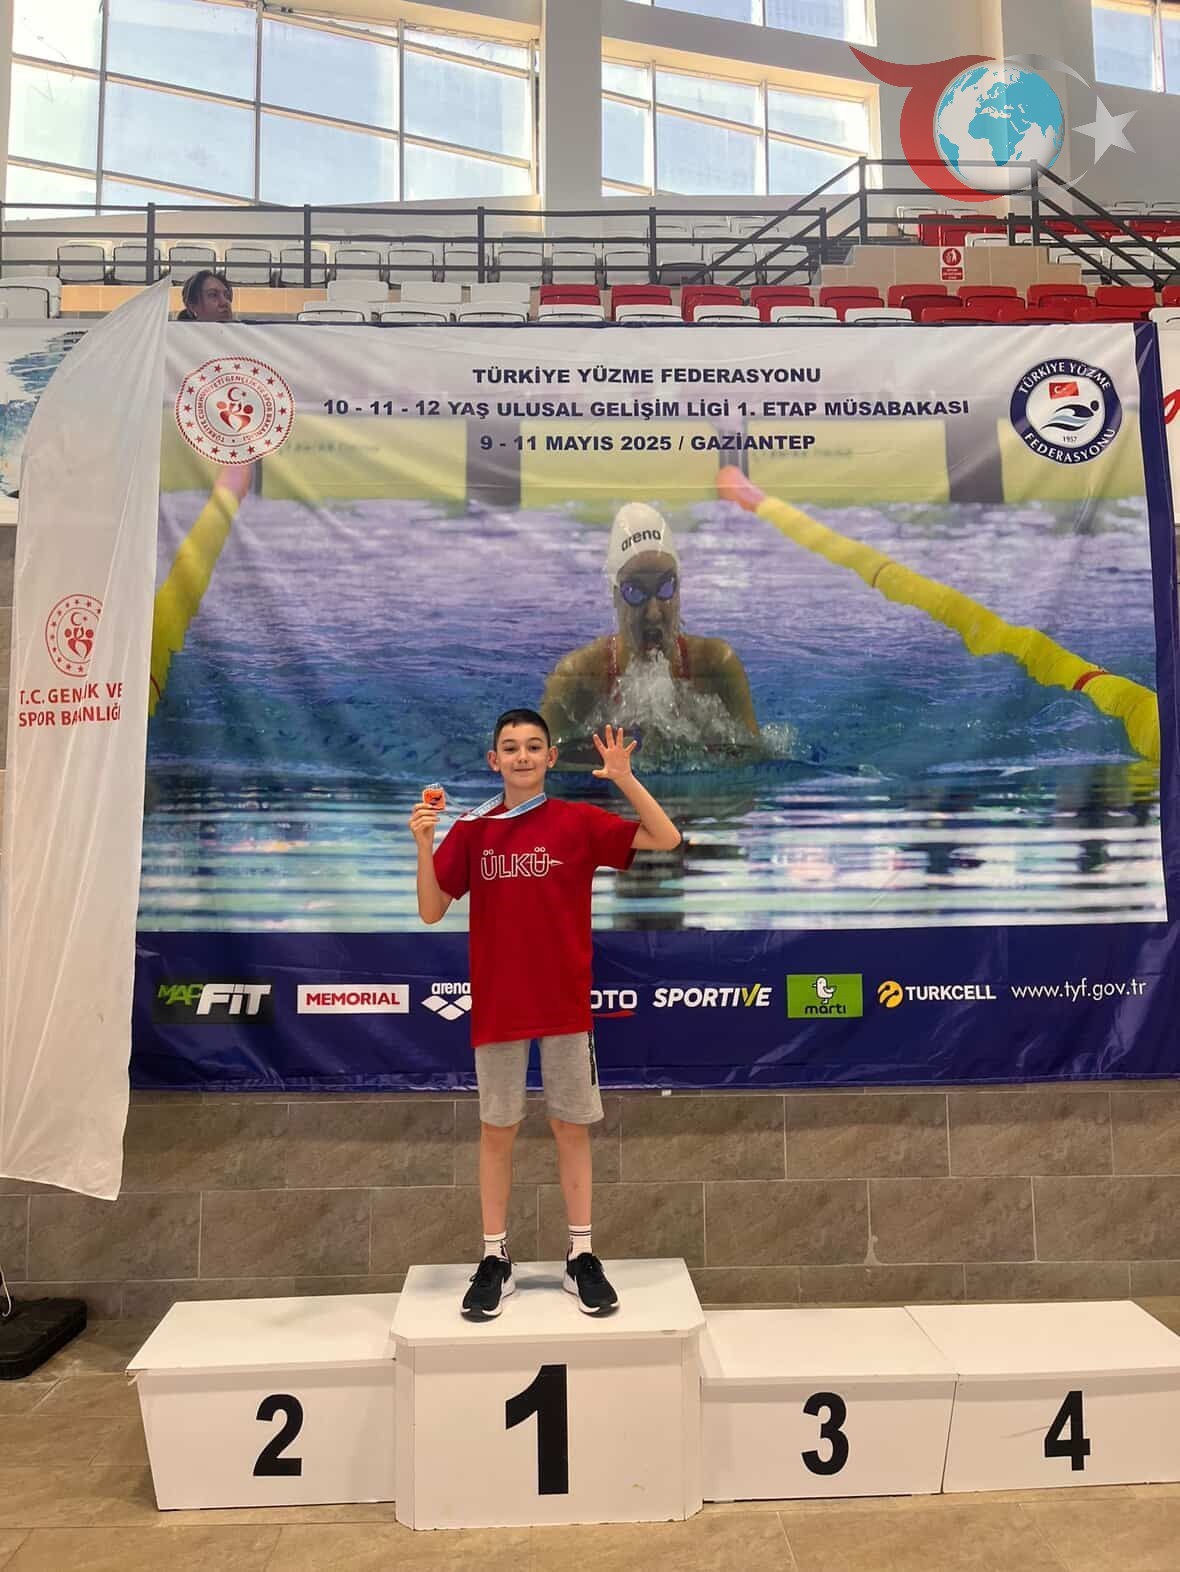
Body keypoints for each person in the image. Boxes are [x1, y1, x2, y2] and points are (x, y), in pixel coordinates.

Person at [409, 709, 681, 1319]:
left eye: (534, 746)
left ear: (551, 757)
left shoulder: (577, 822)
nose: (523, 756)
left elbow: (665, 838)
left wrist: (624, 778)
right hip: (500, 1004)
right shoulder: (474, 830)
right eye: (511, 748)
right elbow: (431, 909)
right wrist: (425, 845)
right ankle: (494, 1259)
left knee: (570, 1126)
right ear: (494, 761)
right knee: (497, 1130)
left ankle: (581, 1255)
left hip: (564, 1005)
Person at [540, 502, 759, 752]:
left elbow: (757, 759)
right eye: (635, 591)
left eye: (666, 587)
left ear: (679, 590)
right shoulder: (577, 679)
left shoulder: (717, 667)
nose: (653, 612)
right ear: (615, 597)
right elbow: (539, 764)